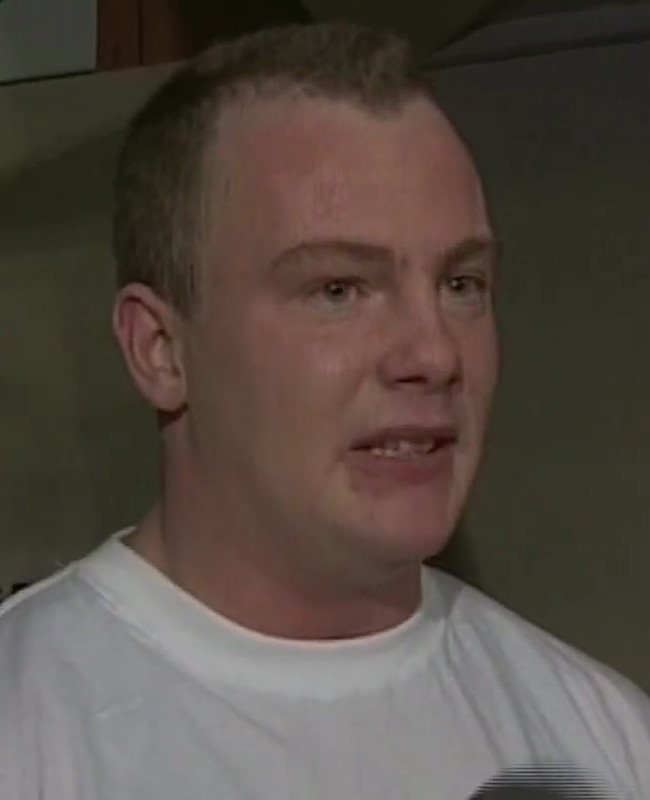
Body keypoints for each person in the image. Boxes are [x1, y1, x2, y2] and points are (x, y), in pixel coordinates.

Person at [0, 22, 648, 800]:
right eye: (338, 290)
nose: (434, 353)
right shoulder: (28, 730)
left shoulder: (605, 739)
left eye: (461, 285)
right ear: (161, 350)